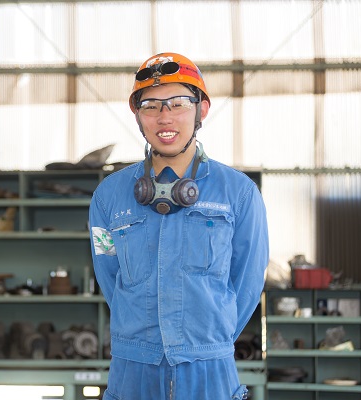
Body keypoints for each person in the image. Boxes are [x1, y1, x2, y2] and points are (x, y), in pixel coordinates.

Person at [89, 52, 269, 399]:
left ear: (202, 109)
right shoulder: (107, 197)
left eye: (179, 103)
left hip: (209, 370)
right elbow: (108, 274)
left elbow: (248, 281)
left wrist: (206, 342)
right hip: (133, 370)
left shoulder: (239, 194)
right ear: (137, 114)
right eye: (151, 106)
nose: (165, 117)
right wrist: (141, 338)